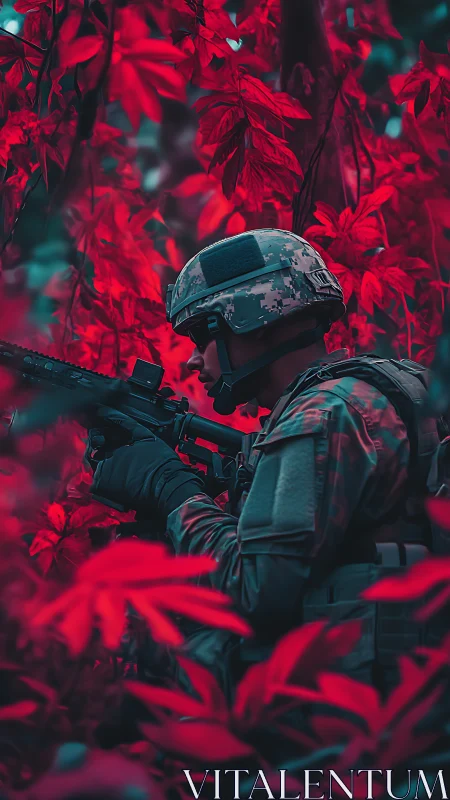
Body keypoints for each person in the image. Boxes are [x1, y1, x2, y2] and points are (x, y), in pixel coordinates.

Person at [90, 229, 440, 699]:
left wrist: (173, 491)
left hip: (335, 737)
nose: (193, 360)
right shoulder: (388, 387)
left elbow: (257, 591)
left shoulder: (318, 418)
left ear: (255, 318)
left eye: (202, 335)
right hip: (401, 710)